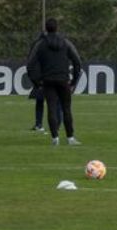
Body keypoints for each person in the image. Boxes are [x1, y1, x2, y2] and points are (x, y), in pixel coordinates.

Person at [26, 18, 82, 146]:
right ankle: (70, 137)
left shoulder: (40, 44)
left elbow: (30, 64)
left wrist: (36, 82)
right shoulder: (65, 42)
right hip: (63, 79)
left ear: (46, 29)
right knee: (66, 108)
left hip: (48, 80)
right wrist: (74, 81)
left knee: (51, 108)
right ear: (57, 28)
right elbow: (77, 61)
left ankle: (55, 138)